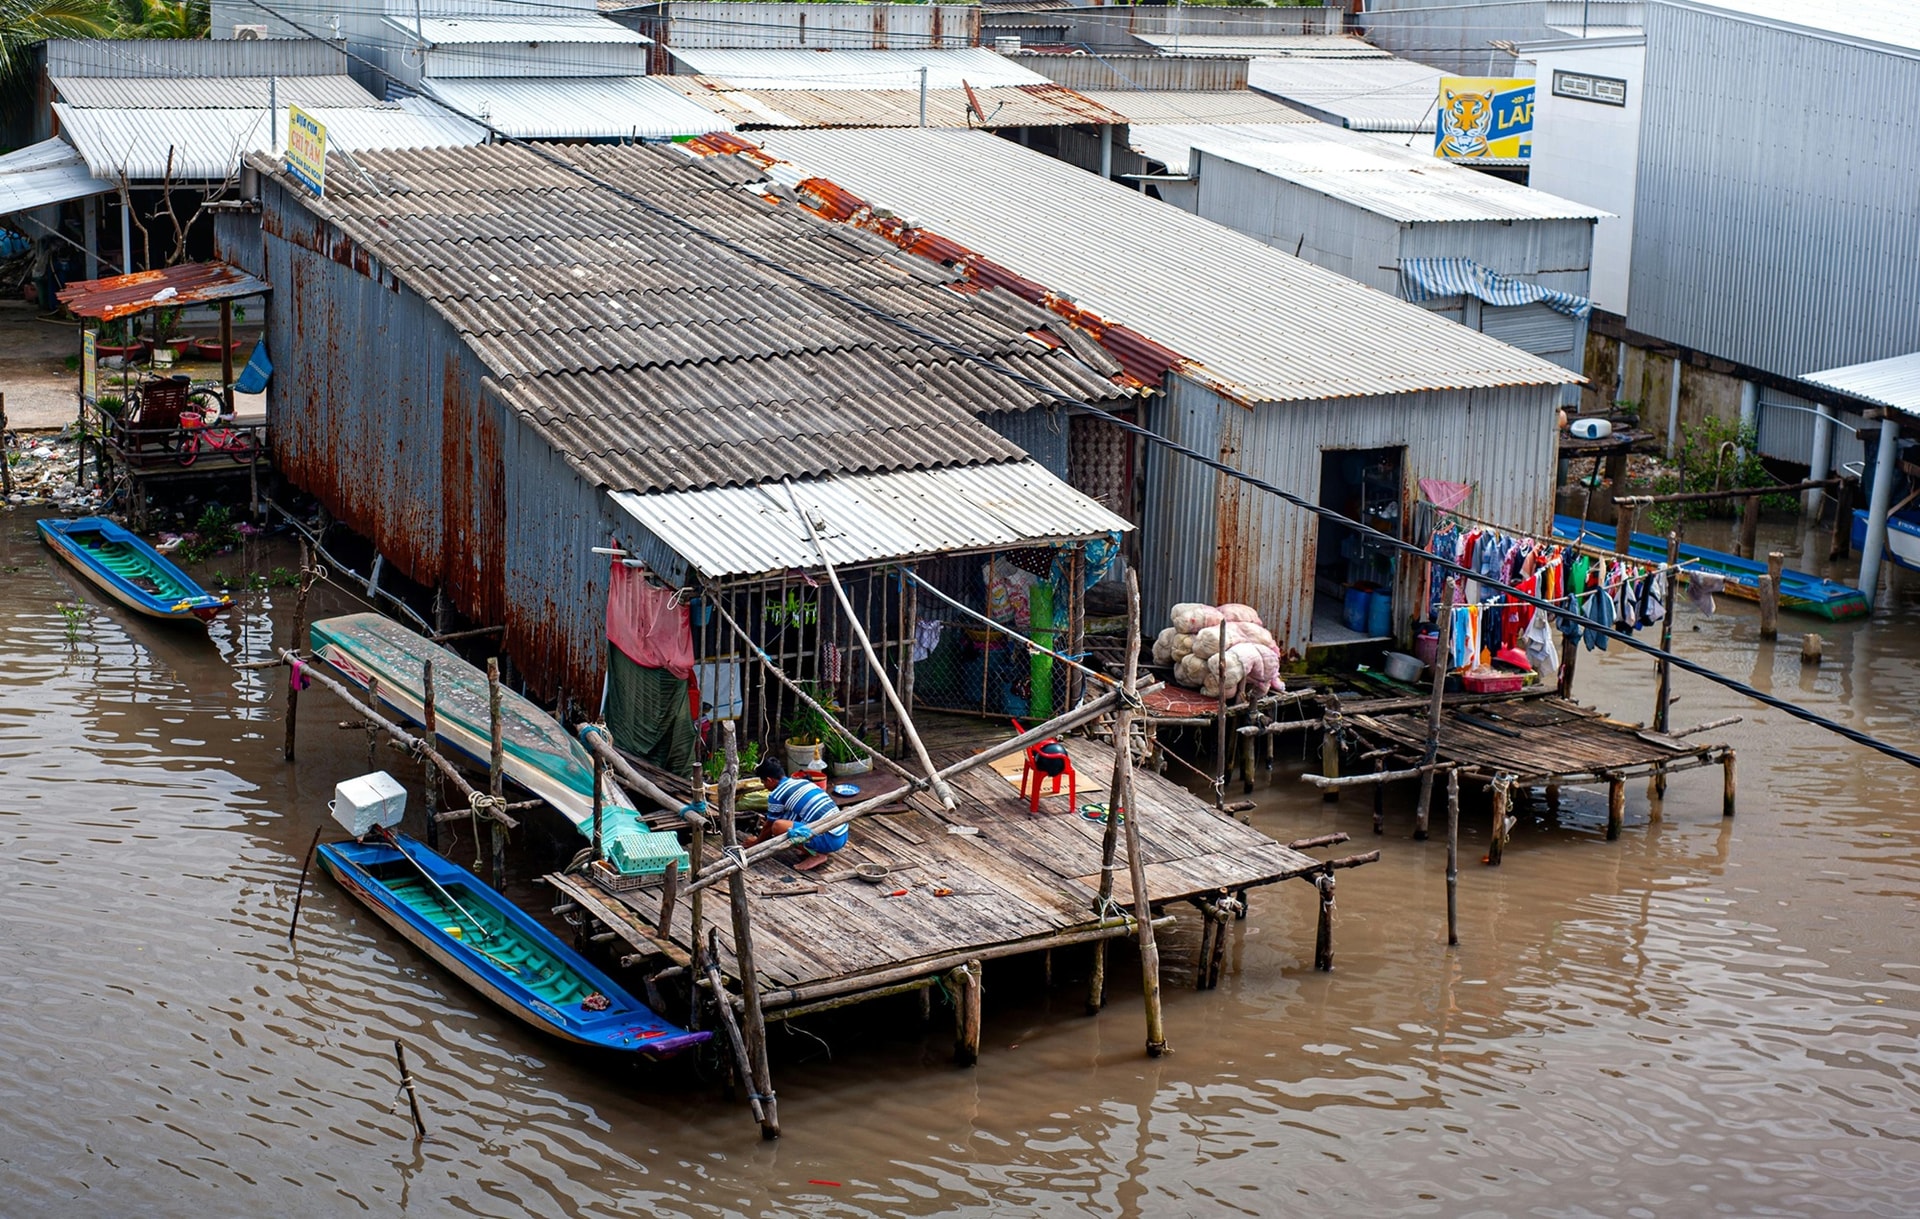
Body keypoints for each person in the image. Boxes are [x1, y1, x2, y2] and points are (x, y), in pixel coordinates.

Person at [749, 757, 847, 871]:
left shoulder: (776, 795)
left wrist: (756, 842)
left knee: (777, 826)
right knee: (789, 817)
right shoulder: (802, 781)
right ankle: (810, 846)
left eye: (763, 782)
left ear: (769, 780)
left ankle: (816, 854)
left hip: (830, 839)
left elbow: (769, 826)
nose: (764, 786)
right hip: (842, 833)